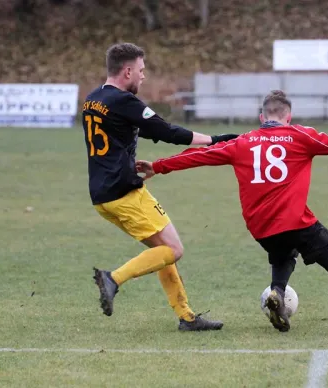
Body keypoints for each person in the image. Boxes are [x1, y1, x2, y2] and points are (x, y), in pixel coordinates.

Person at [136, 90, 328, 339]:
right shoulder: (300, 135)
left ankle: (277, 293)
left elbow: (201, 155)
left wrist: (159, 166)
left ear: (262, 118)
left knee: (284, 252)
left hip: (262, 229)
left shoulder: (243, 142)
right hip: (297, 223)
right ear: (288, 116)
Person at [83, 42, 237, 331]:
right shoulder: (124, 102)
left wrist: (128, 162)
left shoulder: (92, 99)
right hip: (124, 192)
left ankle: (186, 317)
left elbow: (111, 143)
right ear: (127, 71)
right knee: (174, 249)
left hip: (102, 196)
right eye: (141, 70)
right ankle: (112, 279)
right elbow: (167, 132)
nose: (144, 76)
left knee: (161, 251)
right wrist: (216, 140)